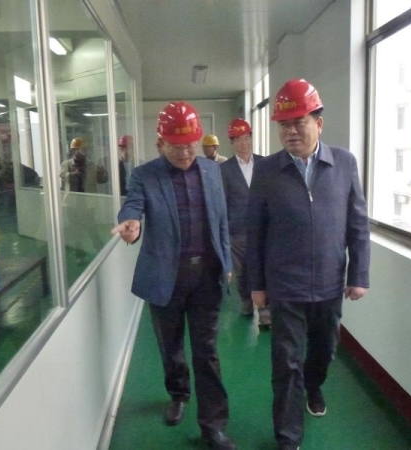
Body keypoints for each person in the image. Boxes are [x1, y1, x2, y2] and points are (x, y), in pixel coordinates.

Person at [245, 79, 371, 450]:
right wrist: (256, 284)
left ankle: (313, 386)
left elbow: (357, 224)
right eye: (283, 125)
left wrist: (359, 274)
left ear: (319, 122)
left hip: (330, 283)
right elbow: (255, 230)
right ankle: (288, 437)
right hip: (285, 286)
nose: (290, 131)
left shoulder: (344, 163)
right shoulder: (267, 170)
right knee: (286, 362)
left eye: (298, 122)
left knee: (323, 351)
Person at [111, 101, 236, 450]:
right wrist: (131, 223)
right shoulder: (145, 175)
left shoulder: (212, 172)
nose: (184, 153)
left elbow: (221, 221)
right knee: (171, 345)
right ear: (160, 144)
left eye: (190, 145)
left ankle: (213, 426)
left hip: (206, 276)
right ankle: (179, 393)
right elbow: (133, 204)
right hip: (166, 276)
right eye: (176, 146)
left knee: (207, 352)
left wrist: (226, 262)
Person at [219, 118, 268, 324]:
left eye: (247, 138)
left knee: (265, 267)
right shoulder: (224, 169)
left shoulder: (266, 164)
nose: (244, 143)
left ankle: (265, 310)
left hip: (264, 228)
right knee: (242, 270)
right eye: (238, 139)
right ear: (232, 143)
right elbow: (222, 202)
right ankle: (247, 303)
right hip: (237, 230)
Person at [60, 137, 107, 264]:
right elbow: (63, 175)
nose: (80, 153)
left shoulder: (91, 165)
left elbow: (101, 180)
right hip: (72, 203)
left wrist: (103, 173)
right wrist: (73, 175)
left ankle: (99, 248)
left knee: (91, 227)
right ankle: (79, 254)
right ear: (72, 151)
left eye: (82, 150)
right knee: (76, 230)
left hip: (88, 203)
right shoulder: (66, 164)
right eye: (76, 150)